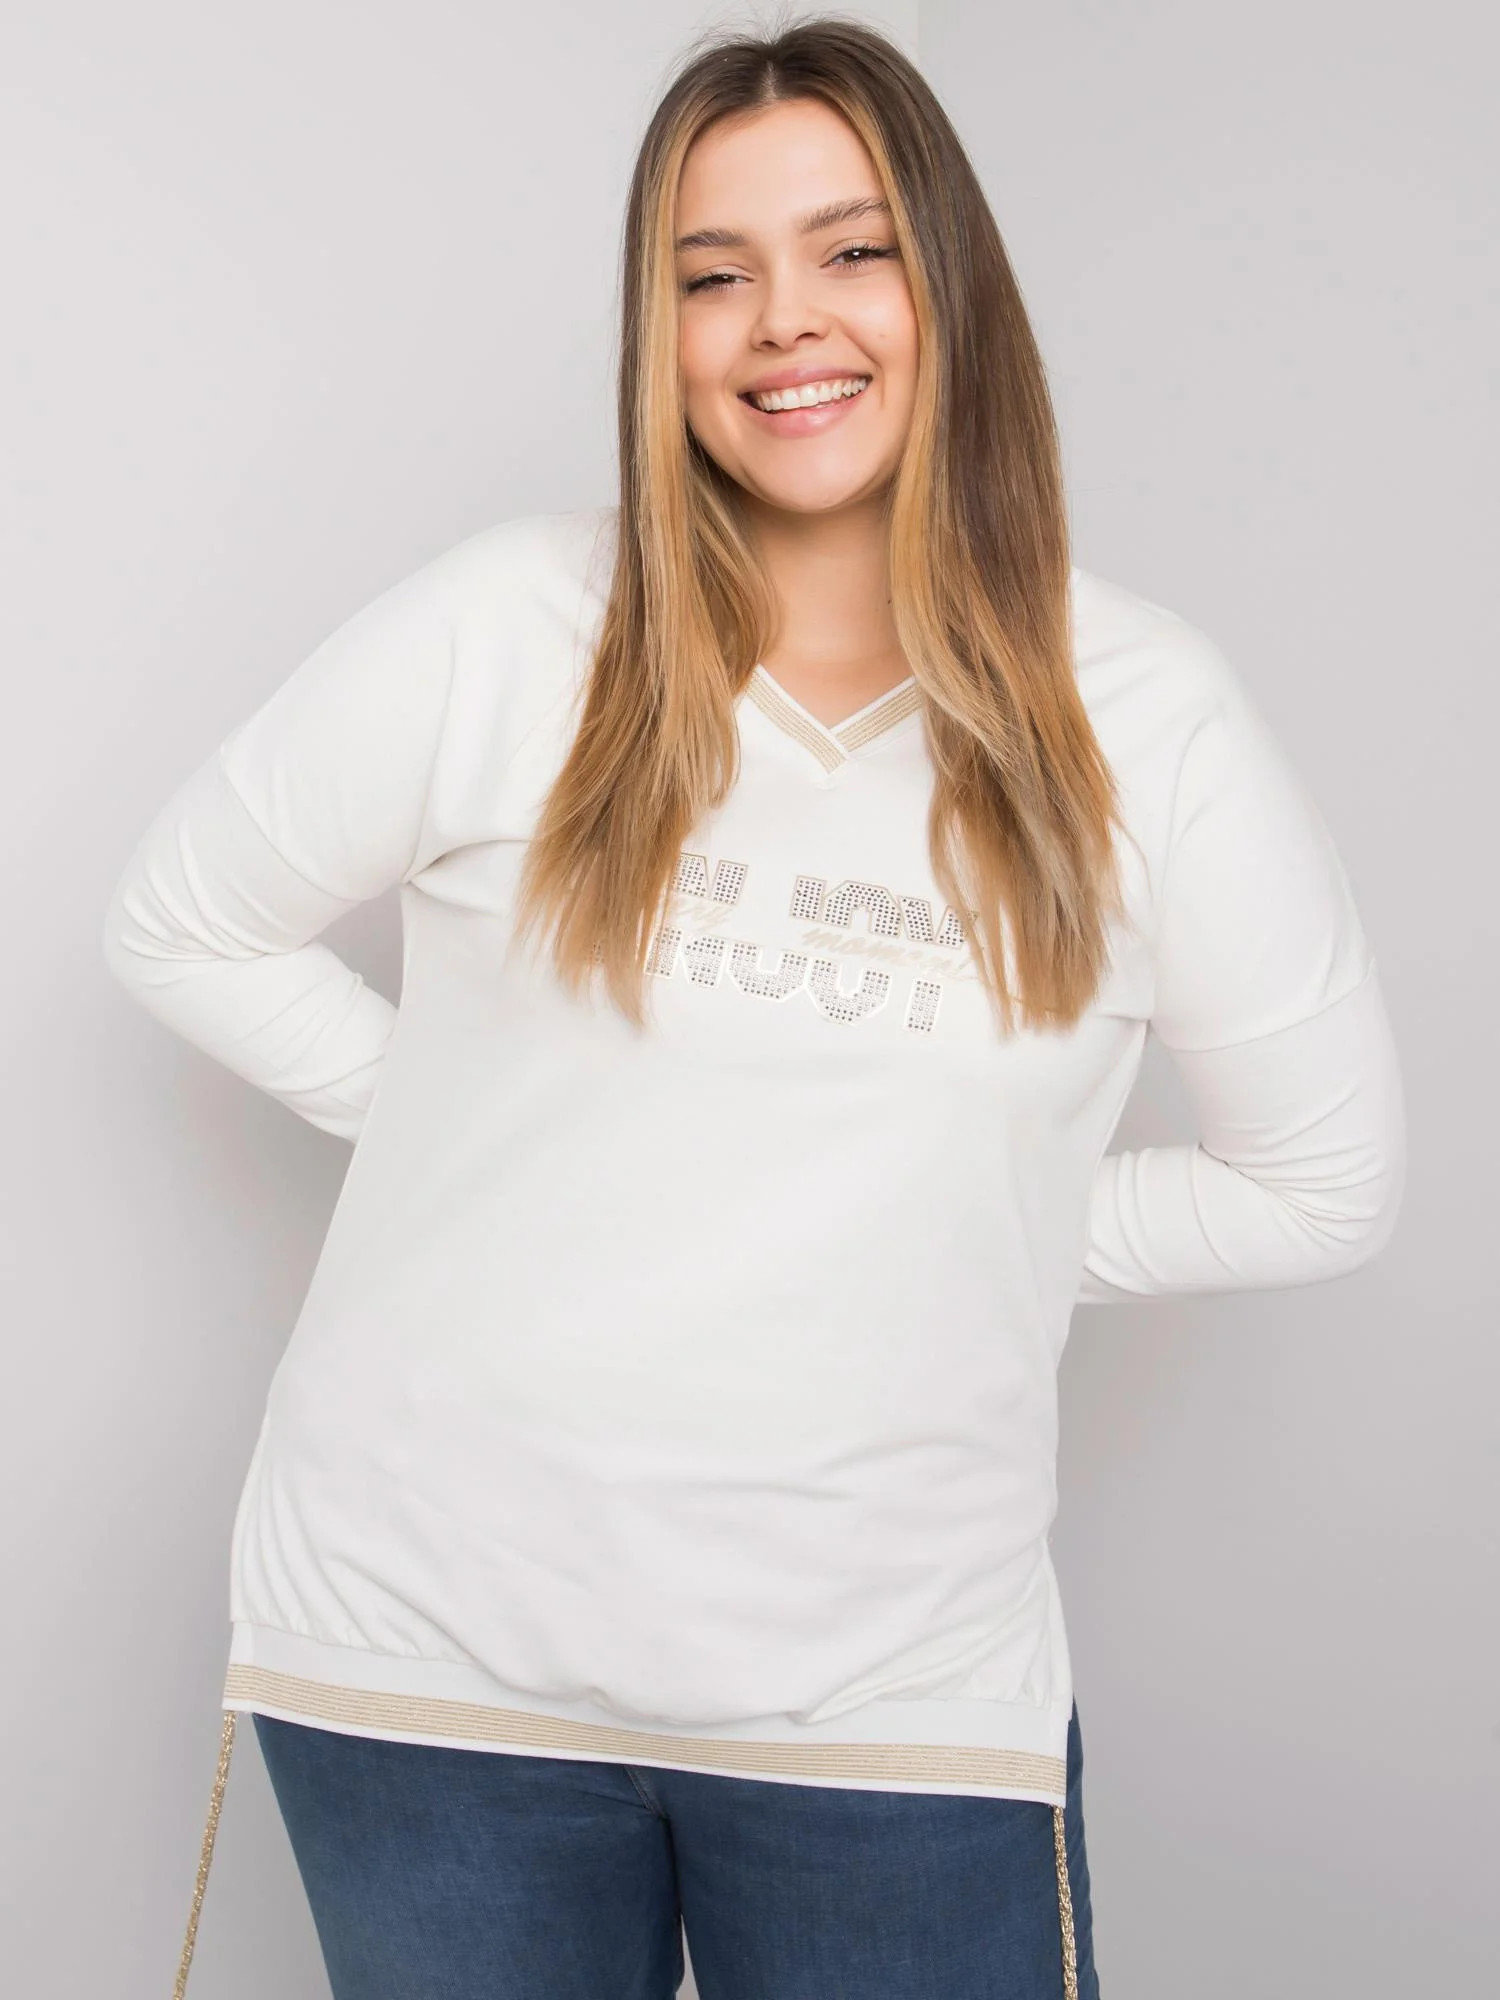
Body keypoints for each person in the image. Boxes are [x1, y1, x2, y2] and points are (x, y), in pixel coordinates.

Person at [103, 17, 1405, 2000]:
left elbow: (1323, 1181)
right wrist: (496, 1134)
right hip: (421, 1669)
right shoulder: (509, 628)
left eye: (852, 250)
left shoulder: (1144, 716)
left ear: (948, 284)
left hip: (890, 1706)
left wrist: (957, 1226)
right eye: (712, 274)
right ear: (663, 333)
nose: (784, 319)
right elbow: (181, 922)